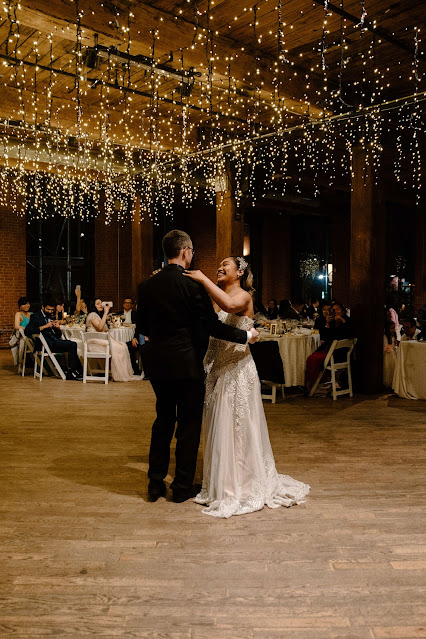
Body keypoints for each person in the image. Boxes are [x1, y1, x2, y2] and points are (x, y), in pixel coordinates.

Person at [136, 230, 260, 504]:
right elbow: (211, 326)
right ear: (185, 252)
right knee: (188, 425)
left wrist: (149, 353)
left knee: (163, 420)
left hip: (157, 365)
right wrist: (245, 336)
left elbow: (142, 328)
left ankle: (155, 483)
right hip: (188, 365)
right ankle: (181, 487)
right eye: (191, 251)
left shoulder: (147, 286)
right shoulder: (194, 285)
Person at [183, 257, 310, 518]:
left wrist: (202, 278)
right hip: (218, 368)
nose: (220, 267)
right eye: (218, 264)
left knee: (237, 429)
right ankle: (221, 483)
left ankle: (240, 485)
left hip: (238, 370)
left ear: (239, 272)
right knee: (221, 428)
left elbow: (227, 305)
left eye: (226, 264)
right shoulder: (219, 295)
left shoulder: (242, 297)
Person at [24, 296, 83, 380]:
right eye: (48, 309)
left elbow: (58, 335)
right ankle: (73, 371)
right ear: (43, 307)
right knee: (72, 345)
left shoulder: (51, 315)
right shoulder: (36, 316)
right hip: (45, 345)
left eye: (52, 310)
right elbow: (27, 331)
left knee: (72, 344)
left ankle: (74, 371)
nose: (50, 311)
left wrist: (57, 328)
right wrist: (44, 326)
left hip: (53, 341)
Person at [305, 302, 354, 393]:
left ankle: (312, 383)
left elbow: (350, 334)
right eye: (334, 310)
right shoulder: (332, 321)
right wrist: (327, 323)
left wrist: (342, 320)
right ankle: (310, 382)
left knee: (315, 359)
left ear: (342, 310)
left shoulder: (347, 320)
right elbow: (326, 336)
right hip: (329, 348)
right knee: (310, 358)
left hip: (338, 353)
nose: (336, 312)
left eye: (338, 309)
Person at [86, 299, 135, 382]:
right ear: (93, 306)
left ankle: (118, 372)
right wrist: (105, 312)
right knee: (120, 348)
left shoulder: (97, 315)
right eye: (98, 304)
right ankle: (118, 373)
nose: (101, 305)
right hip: (95, 343)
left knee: (122, 346)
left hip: (100, 341)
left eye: (101, 303)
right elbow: (100, 327)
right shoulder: (92, 315)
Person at [383, 320, 398, 388]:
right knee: (387, 369)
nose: (394, 329)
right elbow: (385, 346)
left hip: (393, 354)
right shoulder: (385, 337)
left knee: (393, 368)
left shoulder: (393, 336)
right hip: (387, 355)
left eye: (394, 327)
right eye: (392, 328)